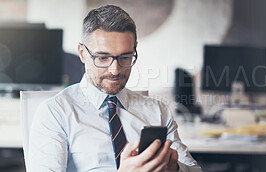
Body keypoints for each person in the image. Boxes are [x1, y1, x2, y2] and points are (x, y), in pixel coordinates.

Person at [28, 5, 202, 172]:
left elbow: (195, 170)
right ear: (82, 53)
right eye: (102, 58)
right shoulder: (55, 113)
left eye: (125, 57)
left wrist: (174, 168)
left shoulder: (158, 111)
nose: (115, 70)